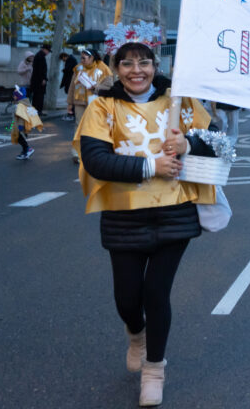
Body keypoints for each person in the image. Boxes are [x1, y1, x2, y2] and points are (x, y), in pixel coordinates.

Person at [74, 42, 216, 407]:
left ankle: (155, 368)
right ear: (116, 68)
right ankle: (135, 334)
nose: (137, 70)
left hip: (175, 210)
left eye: (144, 63)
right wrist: (151, 166)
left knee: (156, 294)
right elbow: (95, 161)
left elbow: (217, 144)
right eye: (127, 64)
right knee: (126, 299)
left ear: (156, 66)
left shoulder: (180, 102)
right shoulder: (101, 106)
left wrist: (190, 143)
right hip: (124, 214)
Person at [68, 48, 114, 162]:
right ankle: (76, 153)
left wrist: (96, 87)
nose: (81, 60)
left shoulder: (103, 68)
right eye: (81, 58)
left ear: (92, 57)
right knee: (79, 126)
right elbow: (72, 86)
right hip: (79, 101)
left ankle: (96, 151)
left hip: (95, 102)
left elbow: (109, 86)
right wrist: (70, 103)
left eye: (84, 58)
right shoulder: (78, 69)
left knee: (95, 126)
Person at [12, 86, 43, 160]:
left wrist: (20, 126)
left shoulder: (20, 105)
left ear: (17, 96)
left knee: (19, 138)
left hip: (20, 126)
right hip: (19, 125)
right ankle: (25, 151)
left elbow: (22, 117)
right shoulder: (21, 104)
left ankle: (28, 149)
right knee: (20, 139)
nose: (13, 96)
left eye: (14, 95)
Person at [30, 44, 51, 116]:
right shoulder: (40, 56)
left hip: (37, 80)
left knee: (37, 96)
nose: (48, 53)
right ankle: (38, 110)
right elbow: (39, 70)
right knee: (39, 96)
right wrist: (43, 79)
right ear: (44, 49)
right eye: (48, 51)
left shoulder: (39, 56)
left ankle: (36, 110)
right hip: (38, 81)